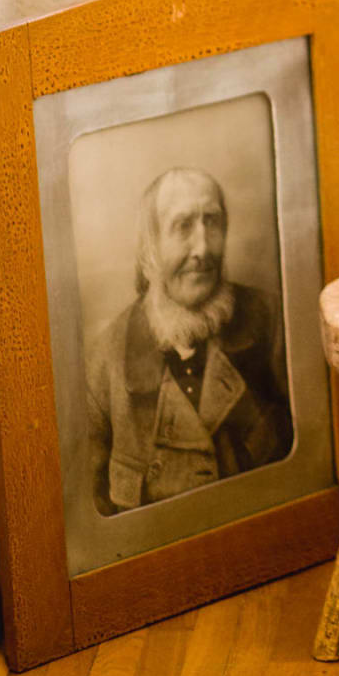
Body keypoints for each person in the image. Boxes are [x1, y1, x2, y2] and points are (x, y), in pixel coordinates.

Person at [87, 166, 293, 515]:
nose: (203, 248)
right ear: (150, 247)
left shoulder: (271, 319)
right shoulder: (105, 360)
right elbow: (95, 509)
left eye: (212, 222)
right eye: (183, 226)